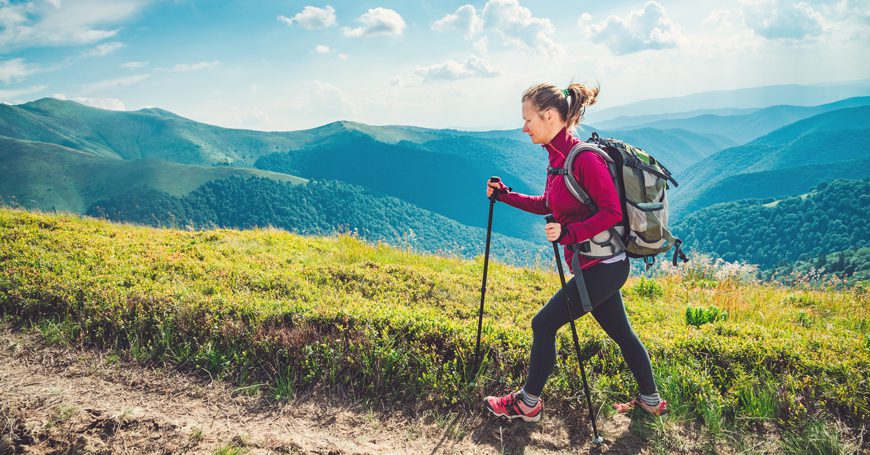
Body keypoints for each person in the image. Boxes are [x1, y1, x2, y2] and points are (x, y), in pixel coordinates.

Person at [483, 82, 667, 422]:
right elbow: (549, 204)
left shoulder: (584, 158)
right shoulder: (557, 158)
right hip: (593, 267)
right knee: (622, 334)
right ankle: (651, 402)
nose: (524, 128)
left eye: (528, 120)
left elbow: (611, 211)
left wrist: (569, 232)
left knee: (543, 324)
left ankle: (528, 403)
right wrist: (505, 195)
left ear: (550, 116)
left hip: (604, 267)